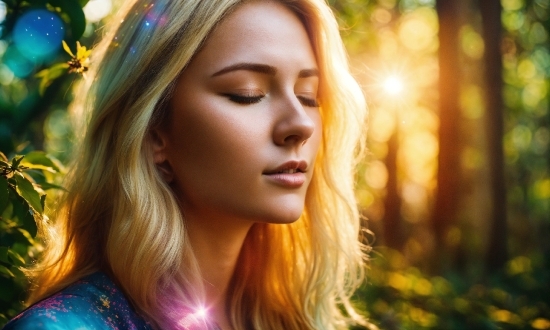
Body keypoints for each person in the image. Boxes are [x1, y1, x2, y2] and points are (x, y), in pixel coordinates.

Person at [3, 0, 370, 329]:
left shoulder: (290, 319)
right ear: (153, 130)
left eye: (309, 96)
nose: (301, 125)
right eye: (248, 93)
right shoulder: (65, 327)